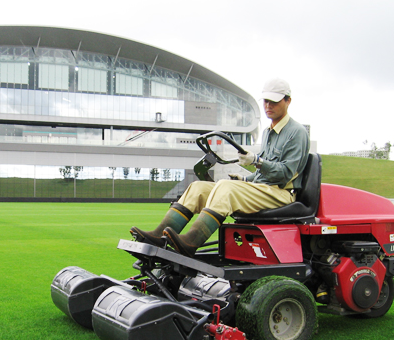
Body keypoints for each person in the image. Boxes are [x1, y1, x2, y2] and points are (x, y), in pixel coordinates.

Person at [131, 78, 310, 257]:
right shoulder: (267, 132)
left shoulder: (297, 133)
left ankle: (191, 241)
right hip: (262, 189)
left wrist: (256, 160)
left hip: (279, 193)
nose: (268, 105)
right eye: (266, 100)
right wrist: (245, 179)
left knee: (226, 188)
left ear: (288, 101)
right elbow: (263, 173)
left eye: (274, 101)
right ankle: (158, 236)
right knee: (197, 188)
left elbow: (285, 174)